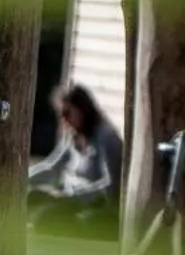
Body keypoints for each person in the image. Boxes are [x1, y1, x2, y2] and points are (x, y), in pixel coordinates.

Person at [28, 83, 123, 229]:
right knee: (30, 198)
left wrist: (73, 198)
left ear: (82, 110)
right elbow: (52, 168)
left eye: (67, 113)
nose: (64, 119)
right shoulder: (73, 136)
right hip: (68, 198)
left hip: (94, 207)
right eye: (60, 114)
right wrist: (21, 179)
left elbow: (110, 186)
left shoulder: (105, 137)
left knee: (44, 219)